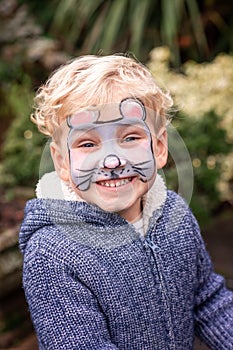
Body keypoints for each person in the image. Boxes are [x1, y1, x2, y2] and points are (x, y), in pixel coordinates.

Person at [19, 54, 233, 350]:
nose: (112, 161)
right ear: (62, 162)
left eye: (129, 138)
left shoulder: (175, 216)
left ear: (158, 148)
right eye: (87, 144)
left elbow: (208, 301)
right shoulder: (54, 255)